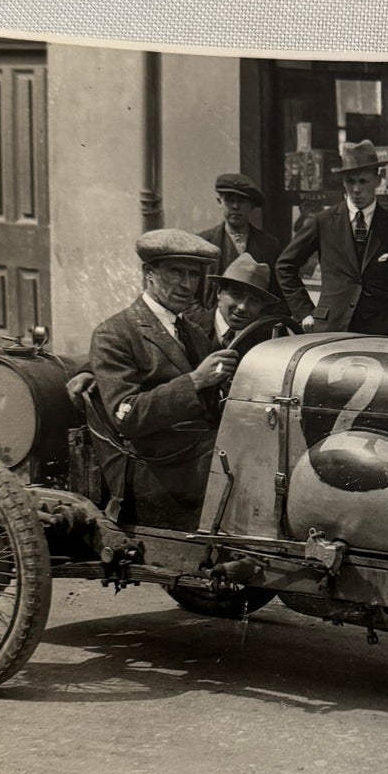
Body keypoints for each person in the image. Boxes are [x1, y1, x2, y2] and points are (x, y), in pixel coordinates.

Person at [87, 229, 236, 528]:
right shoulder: (116, 333)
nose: (186, 285)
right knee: (246, 468)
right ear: (149, 274)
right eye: (175, 273)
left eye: (193, 275)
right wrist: (195, 382)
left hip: (194, 453)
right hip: (151, 467)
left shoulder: (193, 332)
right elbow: (129, 417)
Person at [276, 140, 388, 336]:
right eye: (350, 182)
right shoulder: (323, 221)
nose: (356, 190)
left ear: (378, 181)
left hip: (379, 331)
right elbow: (284, 266)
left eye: (363, 181)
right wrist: (304, 312)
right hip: (331, 327)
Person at [196, 172, 284, 303]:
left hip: (255, 321)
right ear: (220, 202)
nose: (236, 207)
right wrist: (204, 320)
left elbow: (278, 295)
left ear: (252, 206)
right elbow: (191, 296)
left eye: (242, 201)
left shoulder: (269, 245)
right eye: (230, 200)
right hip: (210, 321)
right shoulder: (202, 243)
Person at [188, 253, 293, 351]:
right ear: (219, 292)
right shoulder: (187, 328)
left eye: (254, 300)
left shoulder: (271, 337)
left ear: (262, 305)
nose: (243, 307)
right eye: (237, 295)